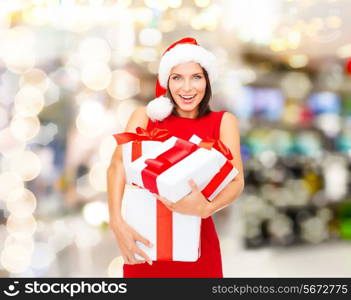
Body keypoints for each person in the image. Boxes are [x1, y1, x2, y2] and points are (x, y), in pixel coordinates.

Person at [107, 37, 244, 278]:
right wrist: (116, 222)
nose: (187, 88)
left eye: (196, 77)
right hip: (145, 243)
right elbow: (117, 165)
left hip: (199, 248)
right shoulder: (145, 117)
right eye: (177, 77)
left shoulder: (223, 122)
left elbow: (236, 181)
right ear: (166, 82)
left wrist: (207, 208)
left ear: (207, 80)